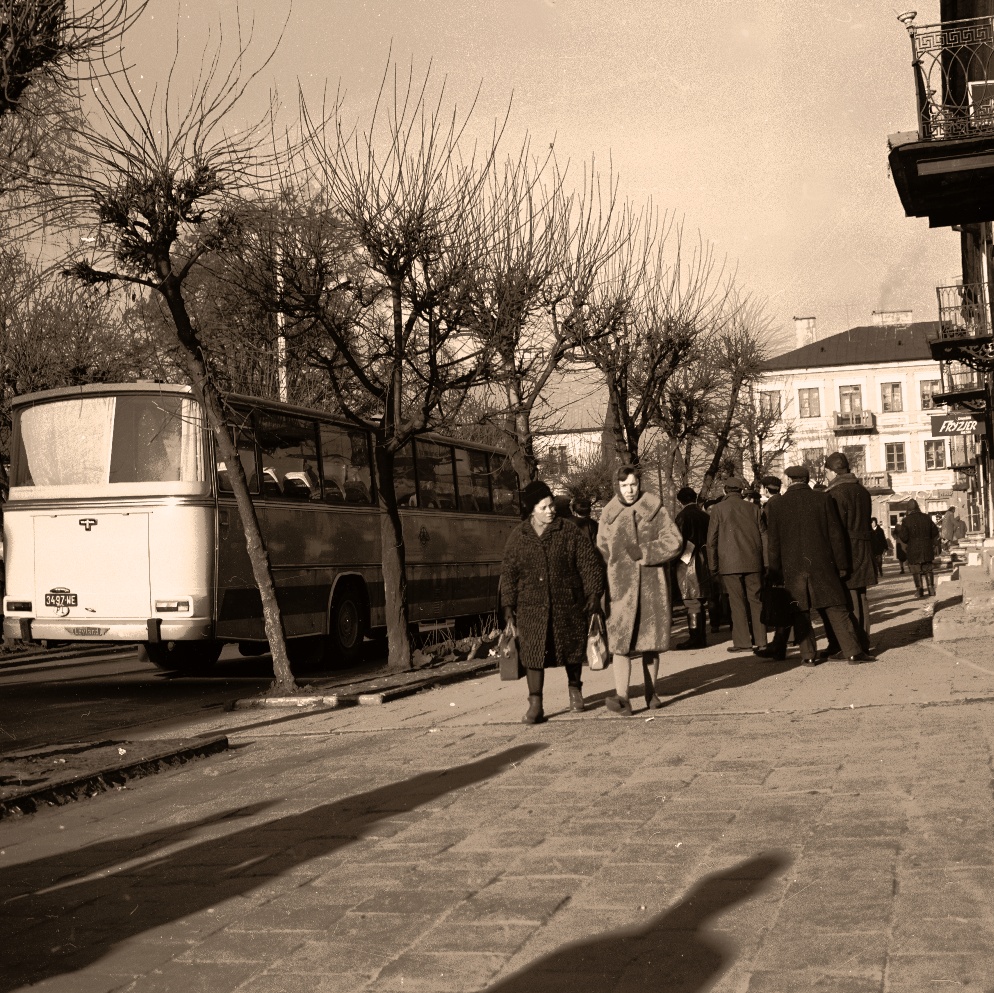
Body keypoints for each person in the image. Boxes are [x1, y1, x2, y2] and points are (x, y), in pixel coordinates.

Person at [500, 480, 604, 724]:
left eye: (551, 506)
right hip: (530, 608)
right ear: (532, 509)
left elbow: (589, 564)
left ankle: (575, 692)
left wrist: (593, 595)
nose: (551, 510)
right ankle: (535, 704)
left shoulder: (567, 531)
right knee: (532, 654)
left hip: (566, 603)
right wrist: (508, 605)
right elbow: (509, 573)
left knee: (571, 650)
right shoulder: (519, 536)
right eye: (544, 507)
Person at [766, 465, 874, 665]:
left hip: (793, 567)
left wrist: (775, 572)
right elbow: (836, 536)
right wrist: (841, 565)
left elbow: (774, 544)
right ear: (806, 480)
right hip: (823, 564)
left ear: (789, 480)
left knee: (800, 612)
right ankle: (853, 652)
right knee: (836, 608)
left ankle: (808, 656)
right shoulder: (823, 499)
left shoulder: (777, 505)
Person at [597, 465, 682, 714]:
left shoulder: (655, 508)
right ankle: (622, 697)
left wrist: (645, 552)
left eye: (633, 484)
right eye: (624, 485)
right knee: (620, 644)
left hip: (650, 586)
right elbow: (602, 548)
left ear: (639, 483)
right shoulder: (608, 514)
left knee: (650, 643)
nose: (630, 490)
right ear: (617, 486)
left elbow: (675, 540)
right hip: (620, 588)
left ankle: (651, 692)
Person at [706, 476, 767, 654]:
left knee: (736, 602)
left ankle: (742, 642)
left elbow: (711, 540)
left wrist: (713, 565)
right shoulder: (754, 508)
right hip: (754, 562)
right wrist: (766, 562)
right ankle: (762, 640)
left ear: (725, 491)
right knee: (756, 601)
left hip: (729, 563)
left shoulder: (718, 509)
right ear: (741, 491)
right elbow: (764, 536)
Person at [824, 451, 876, 649]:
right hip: (863, 547)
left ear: (832, 472)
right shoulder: (862, 491)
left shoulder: (835, 493)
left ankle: (854, 644)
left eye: (827, 472)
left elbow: (836, 529)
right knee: (860, 596)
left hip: (846, 548)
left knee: (848, 597)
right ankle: (863, 640)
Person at [755, 474, 793, 662]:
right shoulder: (784, 502)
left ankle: (778, 647)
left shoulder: (770, 506)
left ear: (764, 489)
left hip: (776, 560)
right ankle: (778, 644)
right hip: (788, 558)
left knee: (779, 604)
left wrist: (770, 565)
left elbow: (771, 538)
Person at [673, 487, 712, 649]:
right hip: (705, 560)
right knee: (699, 601)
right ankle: (699, 637)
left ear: (680, 501)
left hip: (688, 562)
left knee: (691, 601)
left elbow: (678, 542)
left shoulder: (682, 517)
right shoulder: (705, 516)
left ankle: (696, 638)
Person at [896, 500, 940, 598]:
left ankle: (919, 590)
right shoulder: (926, 517)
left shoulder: (906, 520)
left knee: (916, 570)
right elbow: (935, 531)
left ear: (909, 509)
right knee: (928, 569)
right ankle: (931, 589)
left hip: (914, 548)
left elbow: (904, 537)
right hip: (927, 547)